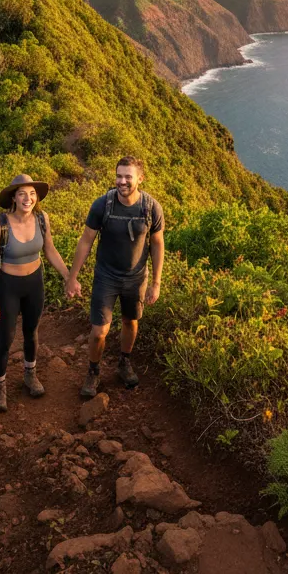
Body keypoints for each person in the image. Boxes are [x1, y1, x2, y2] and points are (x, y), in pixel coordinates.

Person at [64, 155, 164, 397]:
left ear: (140, 179)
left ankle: (124, 361)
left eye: (128, 177)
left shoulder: (151, 208)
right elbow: (86, 241)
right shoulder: (102, 205)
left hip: (136, 278)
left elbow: (157, 244)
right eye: (119, 176)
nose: (122, 181)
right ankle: (94, 370)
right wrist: (72, 277)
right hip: (106, 276)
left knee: (131, 322)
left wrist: (156, 283)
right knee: (99, 331)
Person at [0, 173, 70, 412]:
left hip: (35, 282)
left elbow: (50, 250)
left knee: (31, 331)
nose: (28, 198)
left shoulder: (42, 219)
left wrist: (68, 276)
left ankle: (30, 374)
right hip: (8, 286)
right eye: (22, 193)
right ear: (13, 197)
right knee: (6, 338)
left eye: (32, 193)